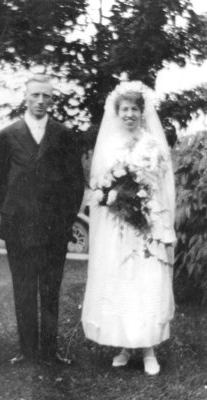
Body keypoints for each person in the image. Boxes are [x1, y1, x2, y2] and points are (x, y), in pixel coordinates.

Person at [81, 81, 176, 376]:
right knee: (120, 282)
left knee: (145, 282)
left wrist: (153, 215)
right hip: (117, 227)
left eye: (135, 109)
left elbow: (162, 185)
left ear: (142, 112)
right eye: (125, 109)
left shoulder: (153, 146)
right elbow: (99, 184)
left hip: (146, 226)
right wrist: (111, 197)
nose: (130, 115)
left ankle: (148, 349)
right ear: (117, 112)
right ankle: (124, 346)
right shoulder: (108, 145)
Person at [0, 74, 84, 365]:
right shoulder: (9, 134)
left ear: (53, 99)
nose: (41, 101)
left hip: (54, 228)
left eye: (47, 96)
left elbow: (75, 182)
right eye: (36, 95)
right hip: (18, 226)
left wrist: (65, 218)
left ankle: (50, 351)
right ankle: (27, 351)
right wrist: (10, 214)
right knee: (23, 289)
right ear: (26, 96)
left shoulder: (64, 135)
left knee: (50, 289)